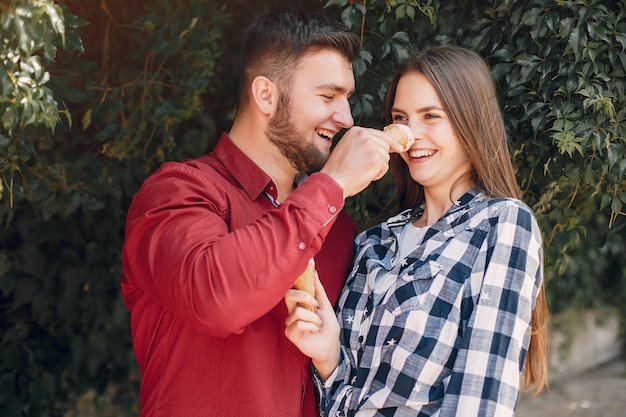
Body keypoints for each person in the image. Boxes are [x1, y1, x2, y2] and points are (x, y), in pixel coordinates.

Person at [120, 6, 404, 417]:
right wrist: (335, 183)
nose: (346, 118)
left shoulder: (340, 231)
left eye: (347, 99)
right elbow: (216, 298)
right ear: (266, 94)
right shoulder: (176, 193)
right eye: (327, 96)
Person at [284, 45, 549, 417]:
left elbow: (481, 401)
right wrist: (329, 357)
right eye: (401, 118)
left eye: (431, 116)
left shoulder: (501, 225)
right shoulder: (373, 244)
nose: (411, 135)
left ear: (469, 121)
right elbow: (345, 402)